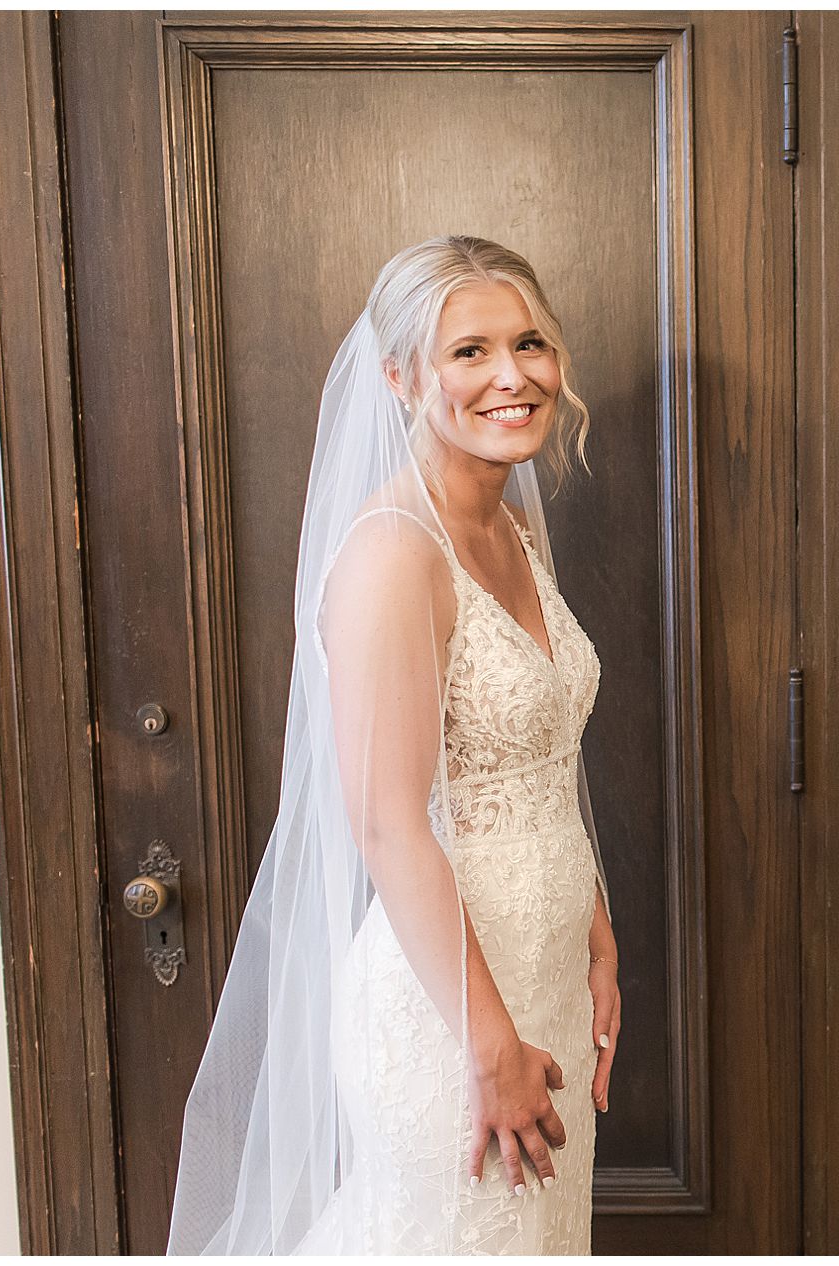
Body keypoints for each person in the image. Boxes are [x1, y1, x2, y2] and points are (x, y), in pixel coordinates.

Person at [169, 236, 620, 1254]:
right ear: (401, 378)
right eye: (470, 352)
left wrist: (595, 934)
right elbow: (385, 823)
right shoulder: (391, 554)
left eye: (529, 343)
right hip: (449, 1020)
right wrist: (489, 1046)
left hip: (545, 979)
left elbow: (543, 764)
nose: (512, 375)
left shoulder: (513, 531)